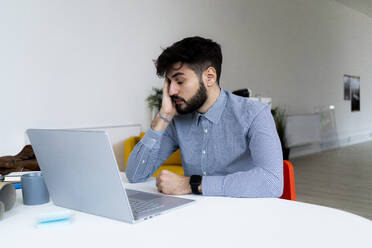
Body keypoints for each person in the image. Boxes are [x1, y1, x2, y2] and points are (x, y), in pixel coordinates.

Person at [126, 36, 283, 198]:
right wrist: (163, 117)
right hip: (194, 214)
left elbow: (271, 181)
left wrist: (191, 184)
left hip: (243, 215)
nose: (171, 91)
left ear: (209, 77)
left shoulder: (255, 114)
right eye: (169, 83)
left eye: (179, 81)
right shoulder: (177, 119)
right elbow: (135, 175)